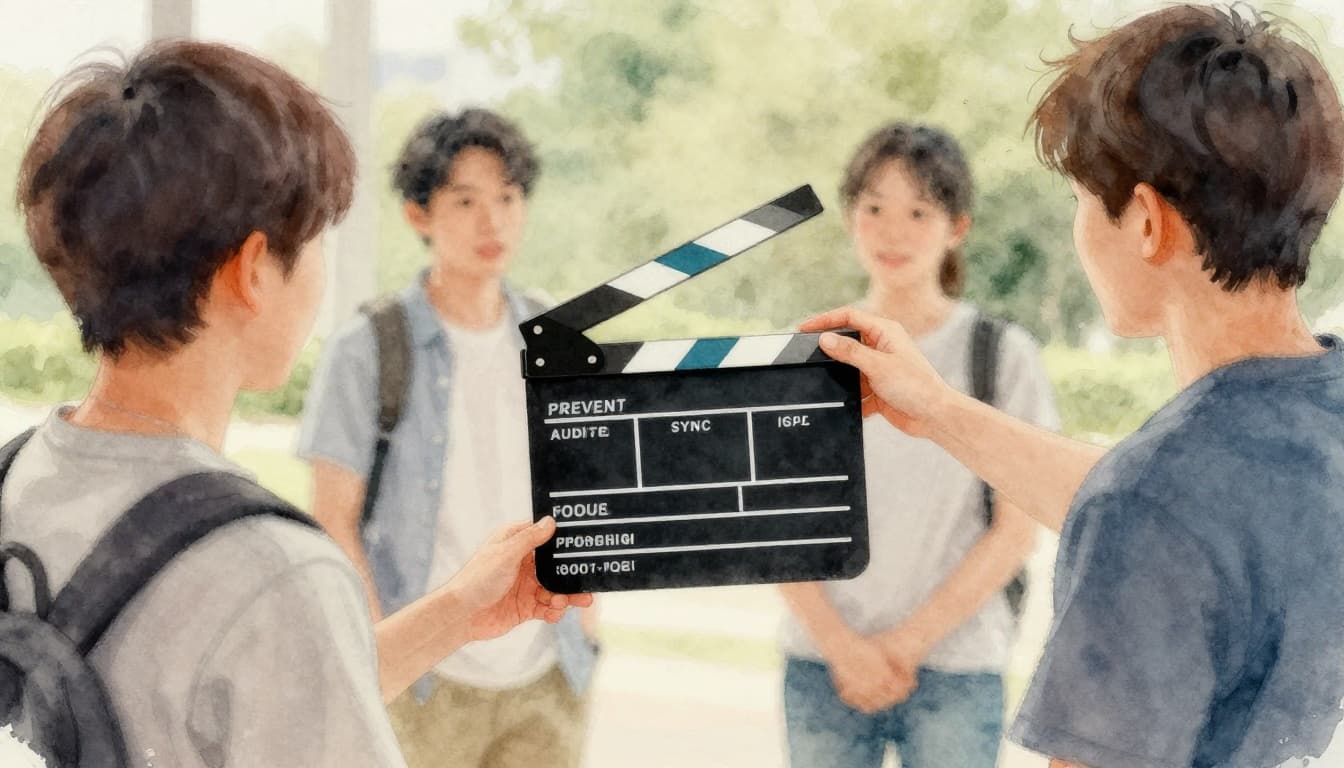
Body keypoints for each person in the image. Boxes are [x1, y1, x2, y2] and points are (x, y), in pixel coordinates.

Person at [4, 40, 587, 768]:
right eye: (315, 239)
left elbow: (269, 704)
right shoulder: (272, 569)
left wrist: (455, 613)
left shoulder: (17, 480)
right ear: (252, 270)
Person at [804, 5, 1344, 767]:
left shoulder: (1149, 504)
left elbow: (1150, 508)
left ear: (1147, 223)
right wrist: (938, 409)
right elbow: (1195, 509)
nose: (1079, 227)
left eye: (1082, 200)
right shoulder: (1317, 410)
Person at [298, 108, 595, 768]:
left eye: (508, 198)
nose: (492, 222)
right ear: (418, 213)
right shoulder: (367, 347)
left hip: (550, 668)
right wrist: (386, 652)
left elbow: (590, 484)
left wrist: (591, 632)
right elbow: (333, 518)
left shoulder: (556, 336)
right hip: (425, 683)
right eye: (465, 201)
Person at [777, 122, 1058, 768]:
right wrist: (842, 648)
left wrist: (903, 646)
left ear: (957, 227)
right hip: (822, 663)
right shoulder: (809, 349)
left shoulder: (1000, 355)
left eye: (918, 212)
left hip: (959, 667)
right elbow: (777, 520)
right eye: (874, 208)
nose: (892, 232)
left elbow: (1016, 530)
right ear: (849, 218)